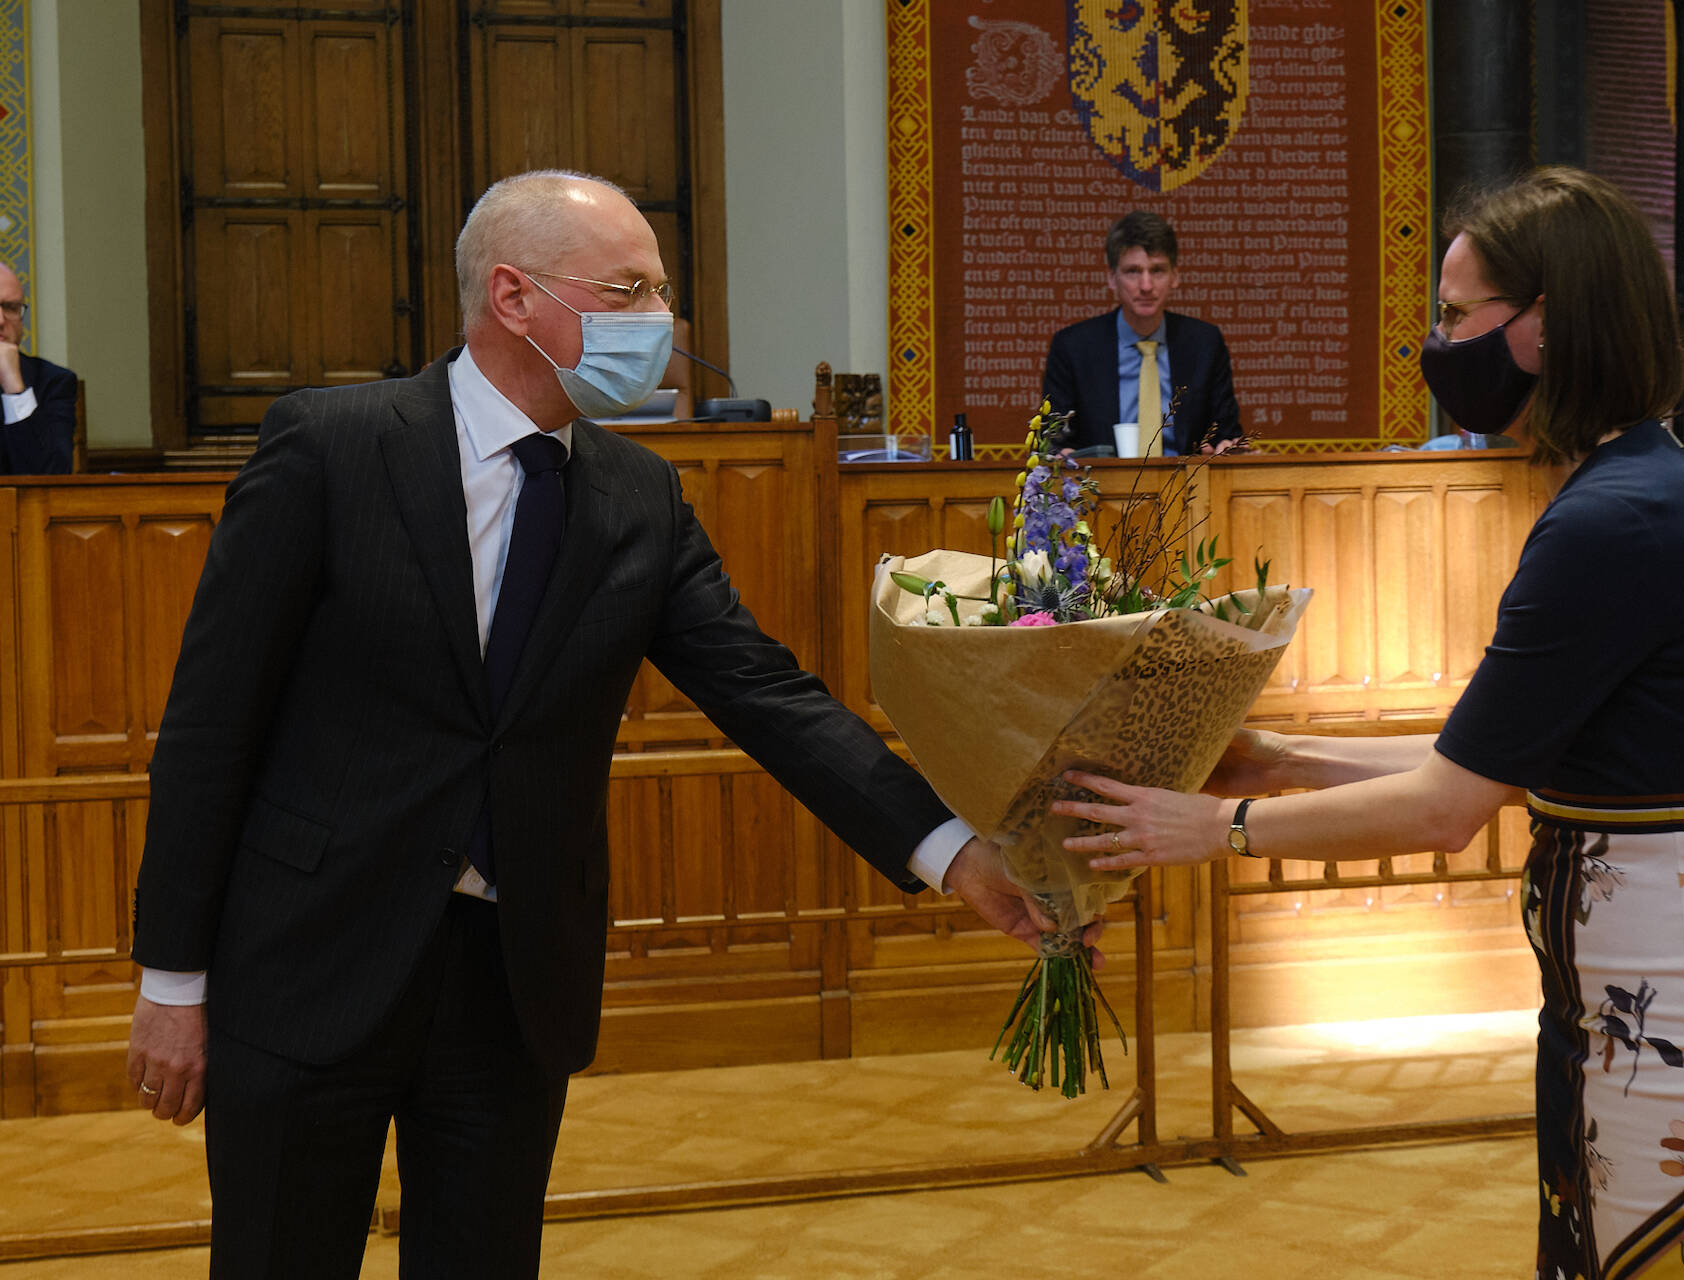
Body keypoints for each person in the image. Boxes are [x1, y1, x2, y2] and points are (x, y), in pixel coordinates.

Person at [124, 169, 1064, 1278]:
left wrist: (956, 854)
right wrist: (172, 983)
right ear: (514, 297)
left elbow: (768, 694)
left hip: (510, 983)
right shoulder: (331, 447)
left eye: (661, 292)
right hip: (307, 960)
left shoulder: (639, 500)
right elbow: (209, 726)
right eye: (627, 291)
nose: (659, 324)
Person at [1054, 168, 1684, 1279]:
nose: (1439, 341)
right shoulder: (1622, 491)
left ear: (1544, 327)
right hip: (1636, 997)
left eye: (1456, 313)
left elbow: (1446, 807)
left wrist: (1214, 826)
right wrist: (1279, 761)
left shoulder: (1616, 520)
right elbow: (1491, 758)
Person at [1041, 210, 1241, 456]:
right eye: (1133, 271)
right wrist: (1063, 455)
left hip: (1189, 487)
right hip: (1102, 488)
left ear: (1174, 277)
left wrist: (1226, 447)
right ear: (1112, 278)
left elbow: (1227, 431)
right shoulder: (1073, 348)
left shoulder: (1204, 344)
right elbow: (1052, 439)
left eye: (1157, 271)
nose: (1146, 286)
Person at [0, 262, 78, 474]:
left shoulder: (54, 382)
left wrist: (15, 390)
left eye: (10, 308)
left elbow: (51, 478)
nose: (0, 320)